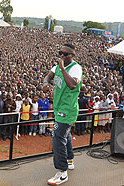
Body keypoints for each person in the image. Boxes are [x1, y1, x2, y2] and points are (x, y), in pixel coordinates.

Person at [43, 43, 82, 185]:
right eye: (61, 52)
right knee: (65, 135)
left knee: (58, 137)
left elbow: (73, 85)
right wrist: (45, 84)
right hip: (59, 108)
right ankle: (69, 160)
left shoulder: (76, 68)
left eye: (65, 54)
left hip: (68, 110)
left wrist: (63, 69)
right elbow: (47, 78)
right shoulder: (56, 67)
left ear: (72, 56)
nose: (62, 55)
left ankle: (62, 172)